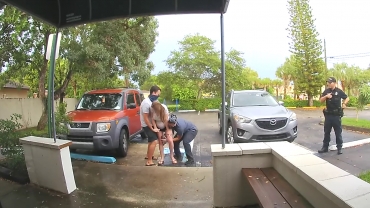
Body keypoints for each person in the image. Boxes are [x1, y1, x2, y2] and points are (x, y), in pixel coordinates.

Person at [318, 77, 349, 155]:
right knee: (327, 132)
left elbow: (347, 98)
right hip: (328, 115)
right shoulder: (326, 91)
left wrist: (344, 103)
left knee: (338, 132)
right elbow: (321, 101)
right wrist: (326, 97)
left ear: (334, 83)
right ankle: (325, 147)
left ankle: (339, 148)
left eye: (330, 82)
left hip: (336, 116)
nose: (328, 84)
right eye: (328, 82)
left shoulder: (339, 91)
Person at [140, 85, 161, 166]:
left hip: (151, 124)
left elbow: (152, 116)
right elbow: (145, 118)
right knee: (154, 141)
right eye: (158, 94)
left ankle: (148, 156)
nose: (158, 96)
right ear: (154, 92)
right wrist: (152, 128)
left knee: (150, 141)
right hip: (146, 125)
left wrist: (155, 126)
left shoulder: (152, 102)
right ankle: (149, 161)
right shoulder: (146, 103)